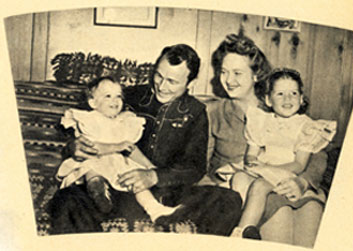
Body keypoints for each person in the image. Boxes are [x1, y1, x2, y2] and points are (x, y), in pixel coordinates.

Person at [49, 44, 242, 236]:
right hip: (117, 186)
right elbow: (85, 121)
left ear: (190, 83)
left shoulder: (196, 113)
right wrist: (74, 146)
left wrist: (154, 176)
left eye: (172, 81)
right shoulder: (130, 96)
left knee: (229, 200)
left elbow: (195, 167)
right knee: (65, 200)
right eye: (159, 76)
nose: (161, 86)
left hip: (166, 193)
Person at [205, 33, 329, 247]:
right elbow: (201, 166)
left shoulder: (279, 103)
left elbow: (317, 153)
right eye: (223, 72)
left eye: (237, 73)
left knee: (312, 210)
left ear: (255, 75)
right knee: (279, 212)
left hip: (291, 180)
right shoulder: (214, 112)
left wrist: (302, 181)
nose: (229, 80)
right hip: (244, 191)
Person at [228, 68, 336, 239]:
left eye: (293, 93)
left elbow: (300, 165)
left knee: (260, 186)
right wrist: (253, 163)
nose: (287, 99)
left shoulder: (307, 127)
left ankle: (242, 232)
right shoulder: (261, 121)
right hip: (263, 169)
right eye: (280, 94)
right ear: (268, 100)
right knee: (239, 178)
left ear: (301, 99)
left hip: (287, 173)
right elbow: (251, 153)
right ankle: (244, 224)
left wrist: (269, 169)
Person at [56, 76, 180, 221]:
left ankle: (154, 209)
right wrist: (117, 146)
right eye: (108, 96)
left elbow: (131, 149)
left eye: (118, 96)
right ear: (93, 102)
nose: (114, 101)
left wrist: (149, 166)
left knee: (136, 180)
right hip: (95, 160)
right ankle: (98, 191)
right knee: (92, 168)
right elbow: (92, 148)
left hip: (118, 165)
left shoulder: (124, 122)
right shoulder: (90, 120)